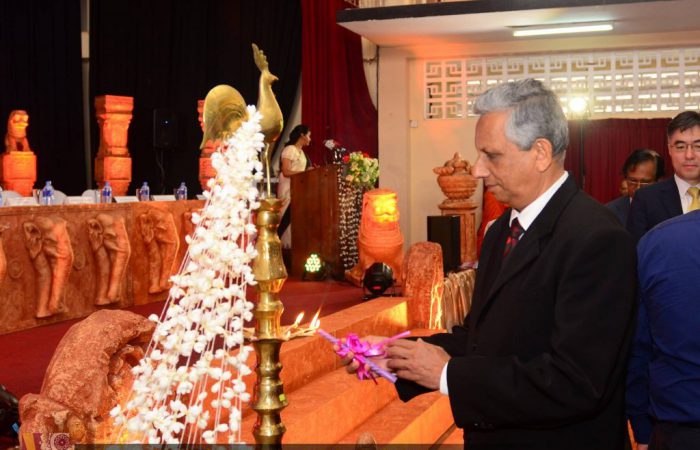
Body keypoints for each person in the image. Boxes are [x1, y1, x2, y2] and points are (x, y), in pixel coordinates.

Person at [340, 79, 637, 449]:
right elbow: (481, 339)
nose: (478, 170)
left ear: (540, 153)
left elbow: (575, 382)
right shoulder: (501, 231)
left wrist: (448, 374)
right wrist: (400, 355)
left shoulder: (596, 238)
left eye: (492, 156)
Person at [626, 210, 700, 450]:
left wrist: (641, 429)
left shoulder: (659, 241)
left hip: (678, 432)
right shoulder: (659, 242)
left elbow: (636, 349)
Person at [627, 111, 700, 241]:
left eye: (698, 146)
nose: (689, 155)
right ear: (670, 149)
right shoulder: (646, 199)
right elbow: (636, 250)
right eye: (680, 147)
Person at [606, 148, 665, 225]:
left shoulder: (669, 208)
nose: (638, 188)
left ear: (659, 181)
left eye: (645, 182)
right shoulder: (610, 212)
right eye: (632, 181)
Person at [277, 124, 311, 248]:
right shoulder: (290, 149)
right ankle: (284, 247)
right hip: (288, 189)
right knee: (287, 218)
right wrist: (304, 173)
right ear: (302, 135)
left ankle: (294, 247)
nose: (310, 139)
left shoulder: (302, 152)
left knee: (297, 219)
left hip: (298, 188)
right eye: (309, 135)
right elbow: (286, 171)